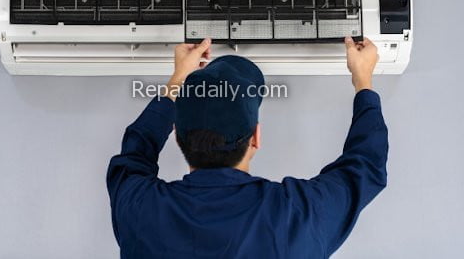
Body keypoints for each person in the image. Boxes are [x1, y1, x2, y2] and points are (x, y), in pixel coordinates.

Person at [107, 36, 388, 258]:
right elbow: (366, 165)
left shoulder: (140, 212)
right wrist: (362, 79)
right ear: (256, 137)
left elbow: (135, 151)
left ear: (177, 134)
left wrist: (178, 79)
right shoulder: (298, 216)